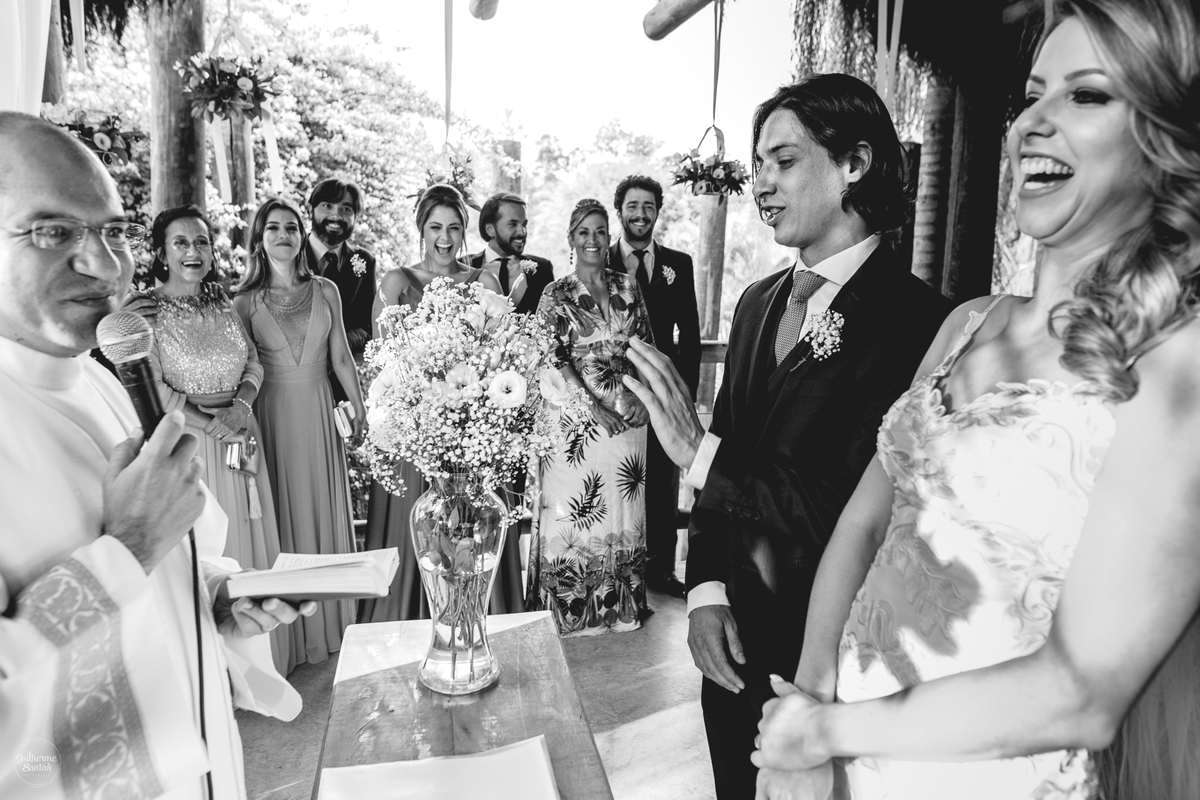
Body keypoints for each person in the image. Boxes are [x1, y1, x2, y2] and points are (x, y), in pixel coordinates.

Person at [752, 3, 1200, 799]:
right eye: (1033, 93)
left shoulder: (1176, 363)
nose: (1034, 121)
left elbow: (1083, 690)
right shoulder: (968, 323)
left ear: (1163, 143)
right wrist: (809, 714)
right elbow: (864, 522)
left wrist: (826, 731)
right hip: (838, 754)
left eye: (1087, 96)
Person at [622, 75, 951, 798]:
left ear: (854, 164)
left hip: (830, 657)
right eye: (757, 165)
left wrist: (699, 451)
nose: (761, 184)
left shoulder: (919, 325)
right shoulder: (754, 302)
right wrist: (705, 591)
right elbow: (729, 443)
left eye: (783, 161)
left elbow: (854, 506)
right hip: (729, 646)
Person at [0, 112, 314, 799]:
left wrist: (218, 602)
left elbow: (168, 568)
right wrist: (128, 549)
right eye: (51, 231)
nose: (103, 264)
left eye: (112, 231)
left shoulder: (102, 380)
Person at [134, 204, 289, 672]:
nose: (193, 251)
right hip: (192, 444)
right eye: (180, 242)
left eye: (201, 241)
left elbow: (255, 362)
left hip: (243, 434)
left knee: (250, 546)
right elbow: (154, 388)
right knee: (210, 555)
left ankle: (263, 660)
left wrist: (241, 407)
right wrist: (210, 427)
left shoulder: (223, 302)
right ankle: (218, 674)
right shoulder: (144, 312)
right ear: (161, 252)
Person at [359, 184, 510, 623]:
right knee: (419, 534)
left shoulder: (483, 281)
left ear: (465, 231)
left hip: (470, 434)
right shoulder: (396, 282)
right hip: (416, 435)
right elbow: (384, 366)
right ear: (421, 229)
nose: (444, 237)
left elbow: (499, 357)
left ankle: (471, 619)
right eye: (435, 227)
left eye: (454, 227)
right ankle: (407, 621)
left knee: (471, 534)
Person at [233, 196, 366, 673]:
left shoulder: (326, 288)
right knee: (284, 514)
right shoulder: (243, 302)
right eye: (273, 228)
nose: (284, 235)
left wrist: (362, 409)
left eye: (292, 227)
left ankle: (330, 628)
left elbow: (341, 360)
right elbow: (244, 370)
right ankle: (292, 635)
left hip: (317, 407)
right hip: (270, 416)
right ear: (259, 239)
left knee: (320, 506)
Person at [527, 198, 653, 636]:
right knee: (575, 513)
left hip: (627, 418)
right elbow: (552, 357)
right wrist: (592, 407)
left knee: (621, 509)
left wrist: (641, 397)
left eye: (600, 231)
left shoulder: (629, 287)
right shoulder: (555, 294)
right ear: (571, 239)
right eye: (584, 232)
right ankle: (575, 609)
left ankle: (620, 607)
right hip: (574, 422)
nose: (594, 240)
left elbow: (644, 347)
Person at [610, 174, 701, 599]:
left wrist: (679, 395)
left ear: (658, 211)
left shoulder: (678, 264)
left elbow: (692, 337)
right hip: (615, 393)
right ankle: (615, 567)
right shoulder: (600, 260)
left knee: (663, 485)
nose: (640, 214)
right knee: (618, 477)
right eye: (633, 205)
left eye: (648, 206)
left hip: (662, 396)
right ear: (620, 210)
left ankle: (661, 570)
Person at [303, 178, 376, 361]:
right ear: (310, 209)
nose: (336, 216)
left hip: (340, 373)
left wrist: (338, 346)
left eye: (346, 209)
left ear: (355, 216)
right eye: (327, 206)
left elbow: (367, 325)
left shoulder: (365, 261)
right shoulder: (290, 254)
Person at [469, 192, 555, 314]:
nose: (522, 232)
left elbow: (552, 323)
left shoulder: (542, 268)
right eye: (512, 224)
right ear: (490, 229)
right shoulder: (465, 266)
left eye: (524, 224)